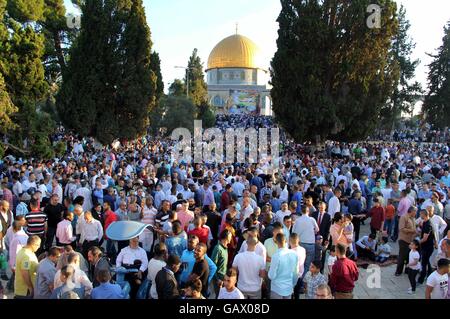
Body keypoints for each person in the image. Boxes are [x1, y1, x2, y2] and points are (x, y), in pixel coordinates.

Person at [268, 233, 298, 299]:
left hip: (277, 289)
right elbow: (296, 273)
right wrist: (292, 285)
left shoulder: (276, 256)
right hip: (288, 288)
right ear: (286, 241)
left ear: (276, 242)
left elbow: (271, 276)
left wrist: (270, 270)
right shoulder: (294, 254)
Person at [292, 206, 319, 277]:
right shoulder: (312, 219)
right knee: (308, 264)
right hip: (310, 244)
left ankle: (299, 280)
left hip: (300, 243)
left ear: (301, 212)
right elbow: (317, 230)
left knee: (299, 263)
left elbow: (293, 232)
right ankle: (304, 281)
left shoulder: (297, 220)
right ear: (308, 212)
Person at [396, 206, 418, 276]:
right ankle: (398, 271)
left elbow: (414, 227)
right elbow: (402, 229)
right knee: (402, 256)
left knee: (409, 256)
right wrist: (412, 231)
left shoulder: (413, 219)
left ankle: (407, 270)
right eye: (415, 211)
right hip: (403, 240)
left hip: (410, 240)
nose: (416, 213)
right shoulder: (404, 217)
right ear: (412, 211)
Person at [211, 229, 232, 297]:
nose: (231, 238)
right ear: (226, 237)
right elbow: (212, 265)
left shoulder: (225, 248)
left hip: (224, 277)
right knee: (219, 296)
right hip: (218, 279)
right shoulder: (218, 248)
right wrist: (217, 279)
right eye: (230, 236)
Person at [418, 209, 436, 284]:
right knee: (427, 262)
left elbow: (425, 238)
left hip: (427, 247)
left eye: (420, 214)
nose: (419, 216)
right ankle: (430, 276)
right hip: (426, 246)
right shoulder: (425, 222)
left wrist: (417, 242)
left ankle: (421, 280)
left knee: (424, 263)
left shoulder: (428, 224)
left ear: (423, 214)